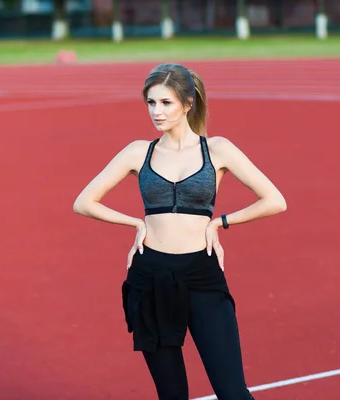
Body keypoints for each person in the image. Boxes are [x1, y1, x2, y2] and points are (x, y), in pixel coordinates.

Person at [73, 63, 287, 400]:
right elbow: (84, 202)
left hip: (202, 276)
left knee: (233, 392)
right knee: (172, 396)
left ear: (188, 104)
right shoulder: (138, 152)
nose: (156, 112)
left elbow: (274, 200)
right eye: (151, 103)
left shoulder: (216, 149)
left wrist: (221, 222)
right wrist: (136, 223)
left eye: (165, 103)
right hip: (150, 276)